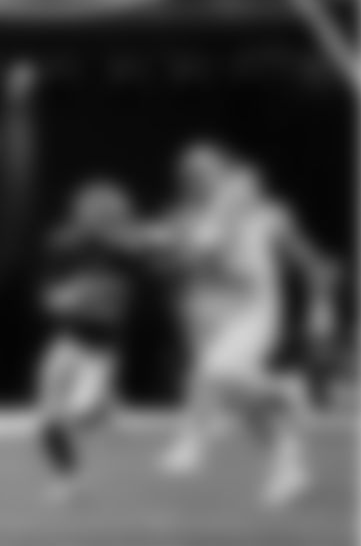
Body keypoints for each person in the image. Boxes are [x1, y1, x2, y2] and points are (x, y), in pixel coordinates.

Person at [138, 142, 340, 507]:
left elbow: (307, 260)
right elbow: (182, 258)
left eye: (204, 171)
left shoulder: (263, 212)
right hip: (220, 311)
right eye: (190, 175)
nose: (196, 179)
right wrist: (164, 247)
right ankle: (288, 466)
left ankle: (197, 441)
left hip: (256, 308)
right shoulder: (193, 217)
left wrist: (321, 300)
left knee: (215, 372)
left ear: (222, 172)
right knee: (239, 401)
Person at [34, 181, 140, 499]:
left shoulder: (125, 253)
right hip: (67, 341)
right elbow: (50, 298)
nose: (95, 218)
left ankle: (104, 406)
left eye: (105, 213)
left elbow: (117, 307)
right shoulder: (63, 246)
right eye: (91, 211)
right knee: (49, 418)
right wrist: (68, 296)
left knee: (81, 415)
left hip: (100, 351)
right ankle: (65, 479)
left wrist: (85, 295)